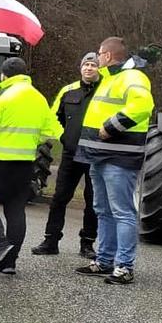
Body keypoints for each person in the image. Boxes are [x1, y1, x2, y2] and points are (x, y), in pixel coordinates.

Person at [74, 37, 154, 285]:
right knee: (103, 210)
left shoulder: (133, 77)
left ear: (108, 56)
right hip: (99, 155)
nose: (96, 58)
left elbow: (143, 105)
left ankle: (124, 266)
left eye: (99, 53)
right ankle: (105, 260)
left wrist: (112, 126)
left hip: (119, 155)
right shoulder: (110, 78)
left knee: (122, 212)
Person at [0, 57, 61, 276]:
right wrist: (30, 144)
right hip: (24, 164)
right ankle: (10, 263)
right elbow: (51, 132)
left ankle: (1, 246)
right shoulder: (38, 98)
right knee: (15, 209)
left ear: (3, 75)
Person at [32, 52, 100, 258]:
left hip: (95, 154)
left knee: (93, 201)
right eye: (86, 64)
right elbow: (54, 119)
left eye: (93, 65)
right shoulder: (68, 91)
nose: (89, 68)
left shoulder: (105, 91)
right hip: (71, 154)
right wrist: (63, 138)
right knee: (60, 197)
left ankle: (87, 244)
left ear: (99, 69)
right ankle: (50, 240)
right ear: (80, 68)